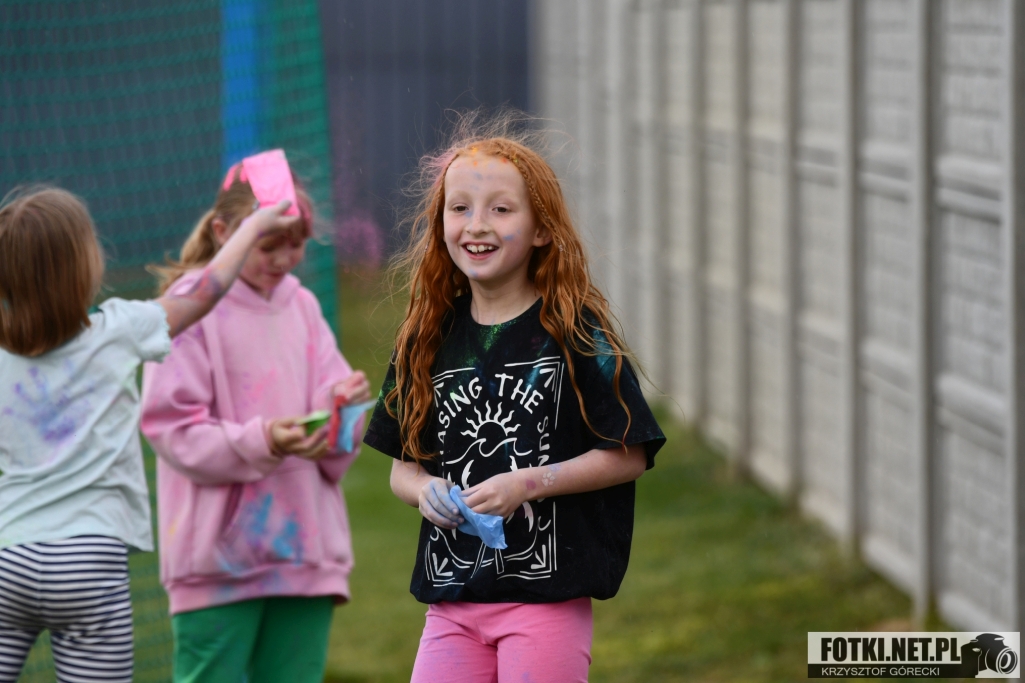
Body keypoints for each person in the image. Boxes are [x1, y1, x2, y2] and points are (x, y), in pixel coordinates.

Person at [363, 113, 666, 683]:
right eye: (460, 208)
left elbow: (628, 453)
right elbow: (403, 469)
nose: (476, 225)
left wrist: (527, 484)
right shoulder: (425, 338)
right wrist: (425, 491)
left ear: (542, 229)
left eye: (501, 209)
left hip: (545, 603)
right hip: (451, 603)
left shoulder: (577, 333)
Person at [0, 186, 296, 683]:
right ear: (85, 266)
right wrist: (252, 229)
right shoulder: (121, 328)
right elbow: (203, 293)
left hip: (10, 557)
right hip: (90, 560)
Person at [139, 151, 370, 683]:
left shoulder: (303, 306)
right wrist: (266, 439)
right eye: (269, 244)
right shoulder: (186, 309)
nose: (285, 258)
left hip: (303, 556)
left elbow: (336, 434)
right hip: (216, 565)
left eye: (296, 242)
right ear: (224, 233)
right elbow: (173, 429)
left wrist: (343, 410)